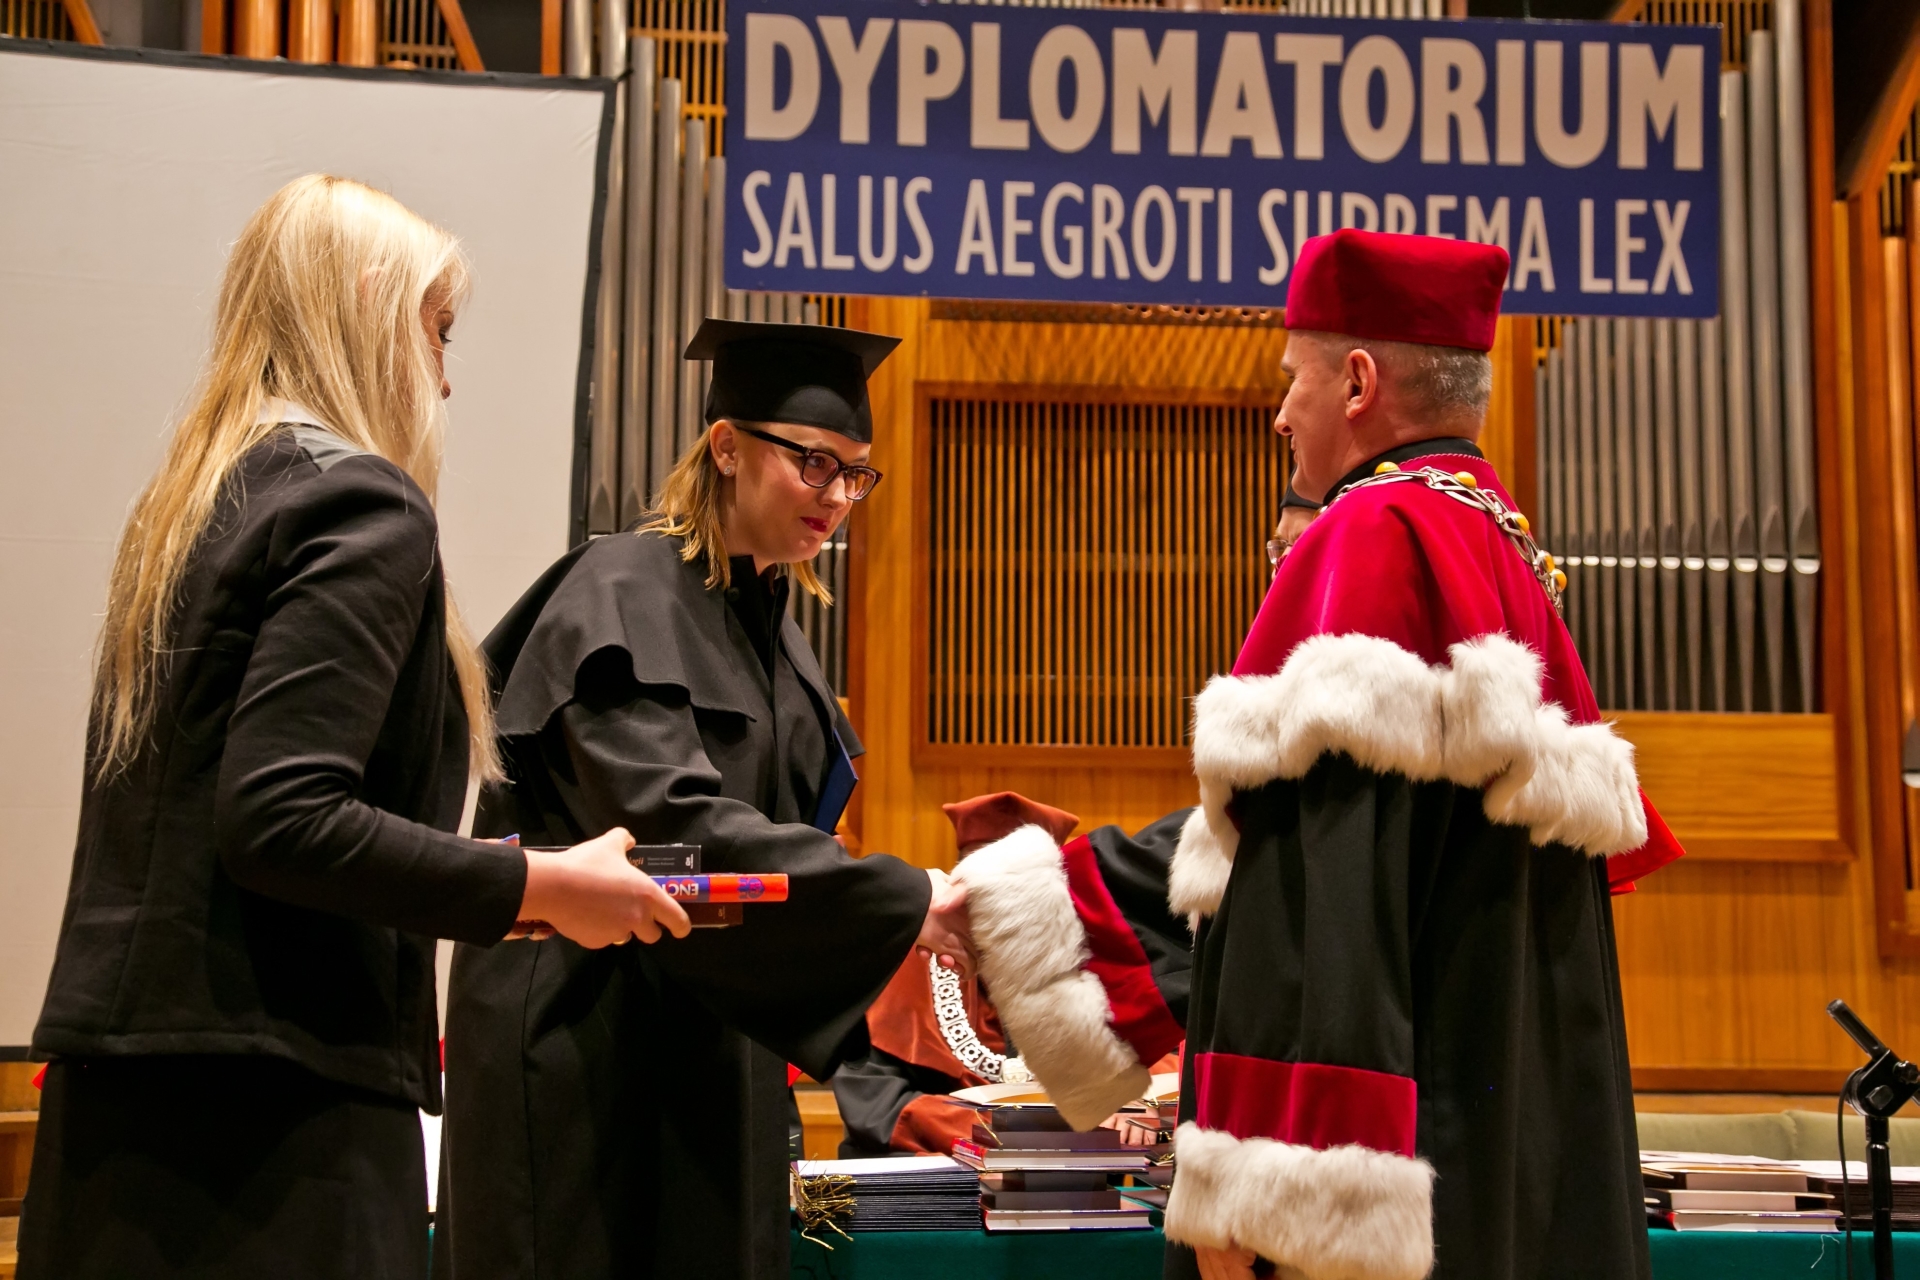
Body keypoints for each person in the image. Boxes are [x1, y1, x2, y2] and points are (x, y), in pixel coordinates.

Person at [949, 229, 1684, 1280]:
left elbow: (1313, 900)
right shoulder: (1500, 544)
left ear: (1358, 381)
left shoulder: (1372, 536)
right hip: (1495, 1156)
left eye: (1293, 378)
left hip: (1383, 1209)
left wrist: (1262, 1188)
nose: (1281, 412)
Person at [18, 175, 689, 1280]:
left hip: (126, 1117)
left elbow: (231, 826)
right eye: (439, 330)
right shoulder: (361, 502)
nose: (445, 376)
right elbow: (280, 819)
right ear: (372, 302)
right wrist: (541, 883)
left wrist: (496, 886)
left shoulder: (201, 502)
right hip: (270, 1140)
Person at [435, 318, 972, 1280]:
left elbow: (789, 843)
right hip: (587, 1050)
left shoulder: (780, 638)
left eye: (856, 473)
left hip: (714, 1048)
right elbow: (674, 833)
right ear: (726, 446)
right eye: (813, 463)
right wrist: (906, 899)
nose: (838, 496)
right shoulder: (619, 593)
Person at [834, 792, 1190, 1157]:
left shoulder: (1107, 968)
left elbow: (1166, 1065)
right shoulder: (907, 971)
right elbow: (875, 1104)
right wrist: (999, 1131)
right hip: (948, 1171)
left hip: (1079, 1175)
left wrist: (1140, 1099)